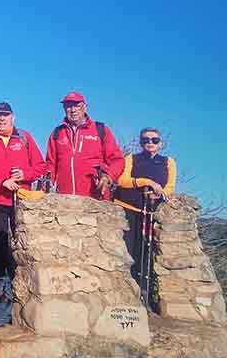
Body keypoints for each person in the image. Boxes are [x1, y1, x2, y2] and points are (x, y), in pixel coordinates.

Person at [0, 102, 48, 281]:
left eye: (6, 115)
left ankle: (20, 280)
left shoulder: (24, 137)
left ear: (13, 117)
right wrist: (2, 182)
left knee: (22, 241)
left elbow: (40, 166)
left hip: (21, 199)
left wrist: (25, 174)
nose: (2, 119)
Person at [116, 127, 177, 292]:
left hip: (150, 212)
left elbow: (170, 186)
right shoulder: (131, 158)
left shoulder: (168, 162)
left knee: (147, 252)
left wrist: (160, 194)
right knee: (127, 250)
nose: (150, 143)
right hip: (127, 209)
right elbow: (122, 180)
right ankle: (125, 290)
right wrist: (147, 182)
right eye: (146, 140)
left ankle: (144, 291)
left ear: (160, 143)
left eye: (154, 140)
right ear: (141, 143)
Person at [44, 92, 125, 199]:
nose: (73, 110)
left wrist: (108, 176)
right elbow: (50, 164)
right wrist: (46, 185)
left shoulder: (101, 130)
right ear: (64, 109)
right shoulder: (57, 133)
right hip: (65, 200)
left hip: (96, 199)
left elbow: (118, 160)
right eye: (68, 106)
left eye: (77, 105)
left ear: (85, 107)